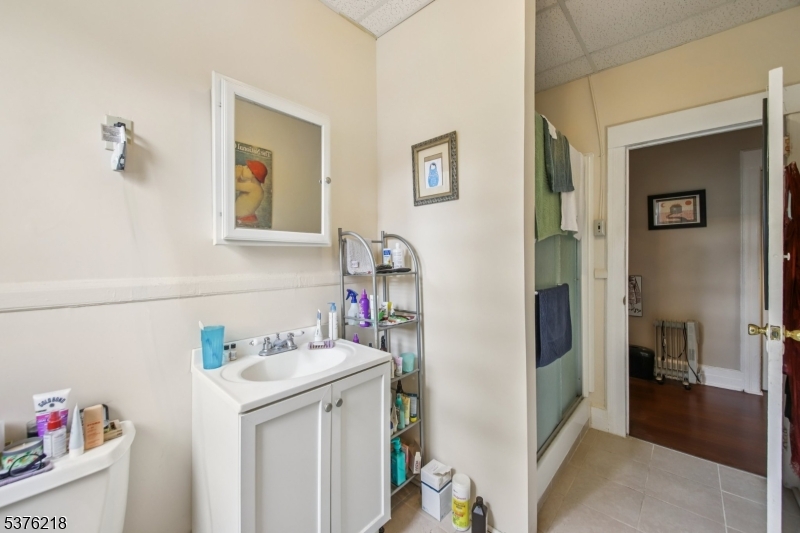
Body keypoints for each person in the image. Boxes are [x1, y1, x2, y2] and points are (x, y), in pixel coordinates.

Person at [235, 160, 268, 226]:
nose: (243, 167)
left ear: (253, 174)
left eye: (247, 167)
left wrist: (236, 175)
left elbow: (234, 186)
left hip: (244, 220)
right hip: (244, 218)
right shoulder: (254, 186)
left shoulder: (254, 187)